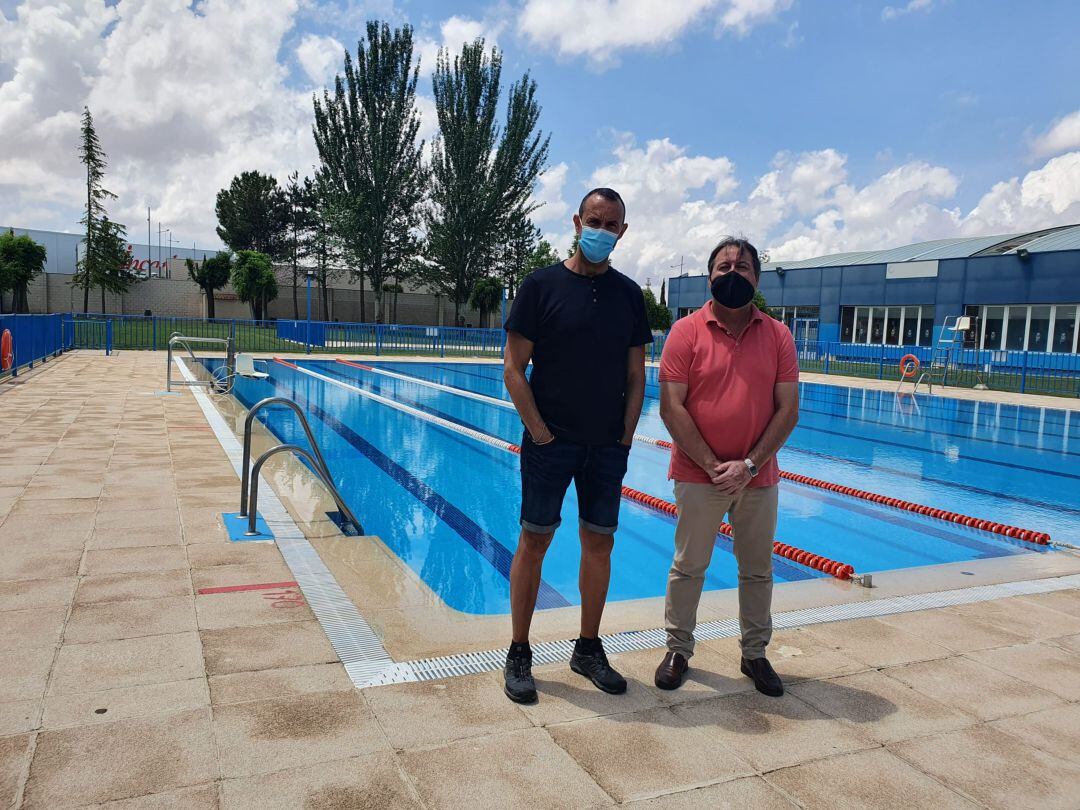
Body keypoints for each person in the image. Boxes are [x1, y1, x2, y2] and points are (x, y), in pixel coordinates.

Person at [501, 187, 652, 704]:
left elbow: (637, 375)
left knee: (599, 544)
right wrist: (540, 432)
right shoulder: (540, 286)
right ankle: (519, 651)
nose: (601, 231)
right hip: (551, 443)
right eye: (594, 220)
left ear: (622, 233)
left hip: (606, 447)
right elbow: (513, 371)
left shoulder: (630, 295)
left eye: (610, 225)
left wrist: (627, 436)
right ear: (575, 221)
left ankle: (588, 648)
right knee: (534, 541)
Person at [653, 237, 799, 697]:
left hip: (758, 476)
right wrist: (716, 465)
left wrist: (750, 465)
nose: (732, 273)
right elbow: (671, 407)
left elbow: (788, 410)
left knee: (757, 570)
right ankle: (678, 649)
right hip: (700, 475)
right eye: (723, 266)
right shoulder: (686, 332)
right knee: (689, 566)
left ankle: (754, 653)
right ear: (709, 275)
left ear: (756, 276)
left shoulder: (778, 335)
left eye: (742, 266)